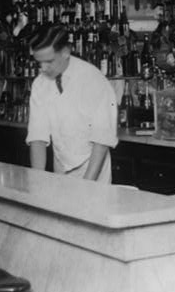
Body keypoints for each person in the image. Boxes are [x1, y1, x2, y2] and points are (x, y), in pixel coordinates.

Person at [25, 23, 118, 183]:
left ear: (65, 52)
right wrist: (37, 181)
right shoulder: (40, 84)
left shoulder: (93, 80)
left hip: (93, 173)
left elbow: (102, 141)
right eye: (39, 62)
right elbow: (37, 137)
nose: (43, 68)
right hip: (61, 171)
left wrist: (86, 186)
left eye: (49, 61)